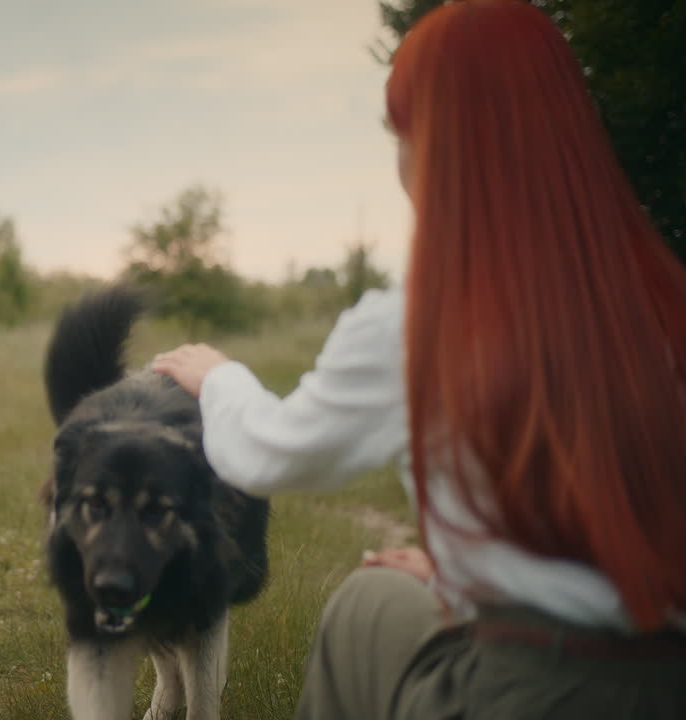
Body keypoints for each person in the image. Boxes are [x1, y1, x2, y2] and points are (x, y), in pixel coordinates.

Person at [152, 1, 686, 718]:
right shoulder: (655, 302)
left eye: (404, 136)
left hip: (526, 691)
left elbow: (267, 455)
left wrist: (218, 379)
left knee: (364, 603)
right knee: (392, 591)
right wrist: (466, 572)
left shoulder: (417, 322)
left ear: (433, 147)